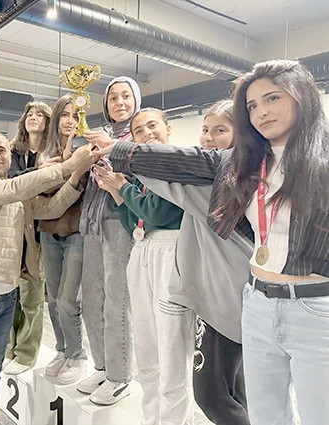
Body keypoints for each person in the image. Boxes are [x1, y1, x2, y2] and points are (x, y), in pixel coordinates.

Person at [99, 60, 329, 425]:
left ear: (301, 96)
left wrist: (119, 166)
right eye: (252, 105)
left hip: (311, 303)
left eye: (272, 98)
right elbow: (185, 161)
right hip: (257, 299)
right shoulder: (240, 165)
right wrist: (117, 151)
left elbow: (163, 200)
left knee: (315, 411)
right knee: (265, 411)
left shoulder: (319, 162)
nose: (262, 111)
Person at [0, 131, 94, 425]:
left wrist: (75, 176)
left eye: (1, 149)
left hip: (6, 299)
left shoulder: (16, 194)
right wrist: (65, 166)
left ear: (9, 155)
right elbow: (13, 188)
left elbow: (51, 207)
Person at [135, 100, 252, 425]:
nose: (208, 138)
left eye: (220, 130)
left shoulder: (219, 182)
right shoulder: (221, 175)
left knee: (211, 394)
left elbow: (160, 192)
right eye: (205, 130)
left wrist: (119, 155)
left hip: (224, 300)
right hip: (222, 293)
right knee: (235, 388)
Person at [93, 108, 196, 423]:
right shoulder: (143, 172)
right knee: (147, 346)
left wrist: (122, 187)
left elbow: (158, 214)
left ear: (168, 128)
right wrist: (115, 189)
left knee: (172, 348)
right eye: (139, 130)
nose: (147, 133)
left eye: (152, 125)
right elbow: (134, 223)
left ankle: (175, 420)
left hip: (171, 252)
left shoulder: (177, 162)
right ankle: (151, 417)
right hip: (142, 251)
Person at [75, 76, 141, 405]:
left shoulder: (139, 137)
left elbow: (140, 175)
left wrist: (113, 149)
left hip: (119, 224)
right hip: (92, 223)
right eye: (113, 97)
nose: (119, 103)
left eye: (126, 96)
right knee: (91, 300)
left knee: (116, 302)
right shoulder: (98, 136)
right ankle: (102, 367)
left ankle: (120, 375)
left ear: (135, 100)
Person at [39, 95, 89, 385]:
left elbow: (82, 188)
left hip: (77, 232)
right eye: (66, 115)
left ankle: (77, 355)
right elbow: (42, 191)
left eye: (76, 115)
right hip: (49, 232)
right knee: (53, 300)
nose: (71, 121)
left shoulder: (87, 149)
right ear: (56, 118)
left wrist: (73, 162)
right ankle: (63, 349)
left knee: (69, 300)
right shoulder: (44, 154)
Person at [4, 101, 53, 375]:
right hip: (13, 230)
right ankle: (9, 348)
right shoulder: (12, 151)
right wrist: (38, 175)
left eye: (39, 114)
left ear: (47, 121)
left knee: (32, 296)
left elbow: (50, 188)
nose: (33, 118)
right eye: (29, 114)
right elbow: (12, 184)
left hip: (40, 232)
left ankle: (26, 354)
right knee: (11, 294)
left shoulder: (54, 152)